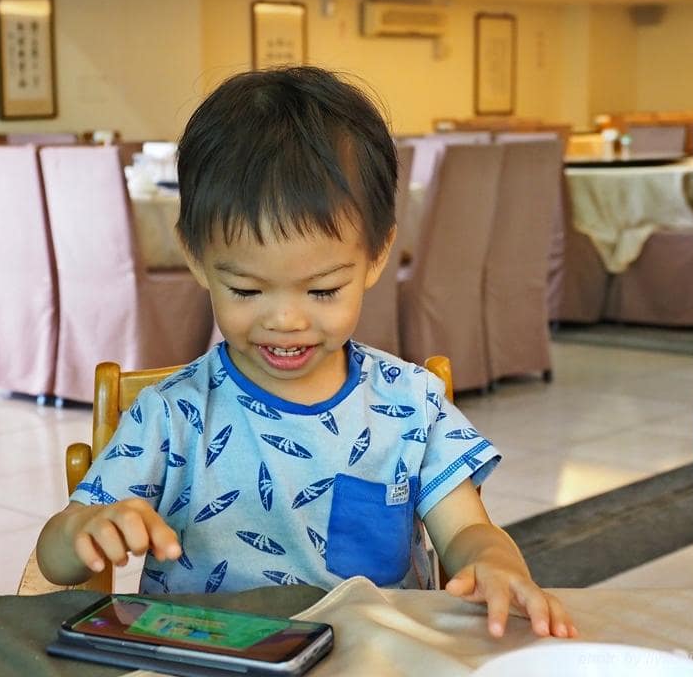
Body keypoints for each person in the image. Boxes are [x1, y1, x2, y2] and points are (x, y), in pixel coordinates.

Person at [36, 66, 576, 639]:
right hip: (213, 659)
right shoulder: (170, 416)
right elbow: (55, 557)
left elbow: (467, 531)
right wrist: (82, 532)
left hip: (375, 658)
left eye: (322, 291)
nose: (286, 321)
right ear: (195, 256)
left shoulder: (410, 404)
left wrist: (493, 560)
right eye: (246, 291)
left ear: (376, 255)